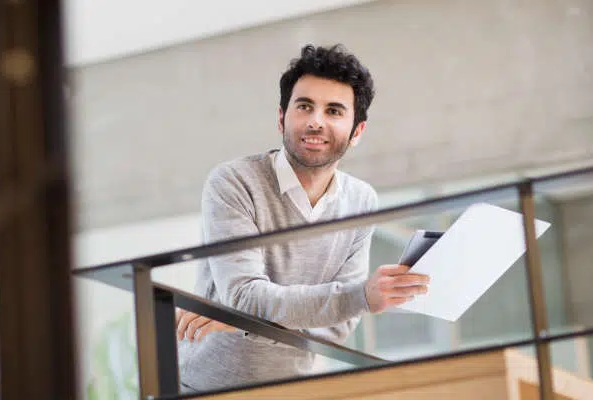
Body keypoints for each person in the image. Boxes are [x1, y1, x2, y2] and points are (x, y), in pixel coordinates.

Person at [175, 44, 430, 392]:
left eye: (334, 110)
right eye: (305, 106)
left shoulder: (361, 200)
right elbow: (245, 298)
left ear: (357, 132)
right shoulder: (234, 182)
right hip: (207, 388)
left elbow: (339, 328)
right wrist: (354, 298)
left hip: (296, 390)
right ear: (282, 117)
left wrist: (242, 323)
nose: (316, 120)